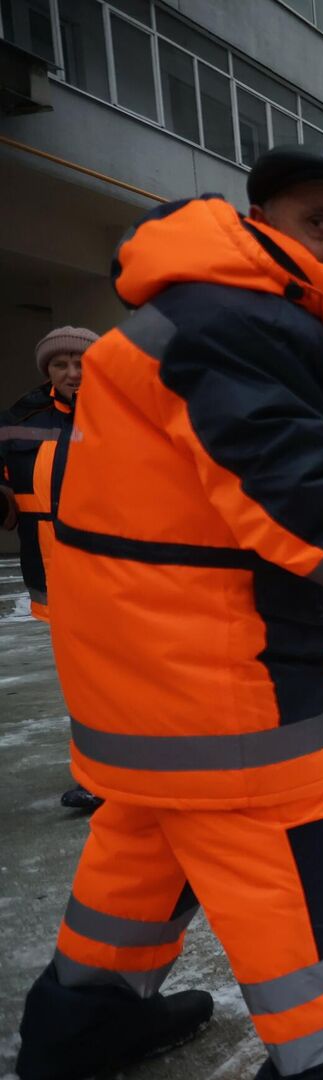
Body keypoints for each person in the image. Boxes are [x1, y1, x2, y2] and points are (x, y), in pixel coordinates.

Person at [14, 146, 323, 1080]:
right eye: (318, 222)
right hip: (214, 672)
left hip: (149, 670)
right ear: (261, 221)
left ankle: (81, 1024)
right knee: (292, 876)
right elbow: (301, 498)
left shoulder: (233, 315)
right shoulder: (234, 318)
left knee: (145, 842)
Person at [2, 326, 102, 812]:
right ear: (48, 371)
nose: (73, 373)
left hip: (113, 576)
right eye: (61, 365)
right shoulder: (20, 420)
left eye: (81, 363)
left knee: (113, 679)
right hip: (50, 574)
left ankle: (111, 775)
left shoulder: (124, 414)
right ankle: (98, 775)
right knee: (83, 683)